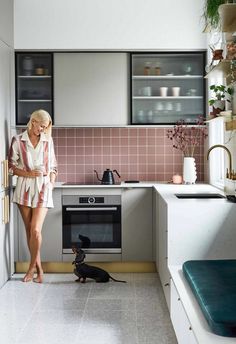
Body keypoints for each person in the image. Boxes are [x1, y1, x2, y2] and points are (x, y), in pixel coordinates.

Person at [8, 109, 57, 283]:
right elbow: (11, 166)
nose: (42, 130)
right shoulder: (18, 140)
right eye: (41, 126)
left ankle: (31, 269)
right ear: (33, 121)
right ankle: (40, 269)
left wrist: (50, 184)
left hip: (43, 189)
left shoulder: (47, 141)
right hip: (24, 189)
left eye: (45, 127)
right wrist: (28, 174)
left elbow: (53, 167)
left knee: (36, 229)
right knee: (30, 231)